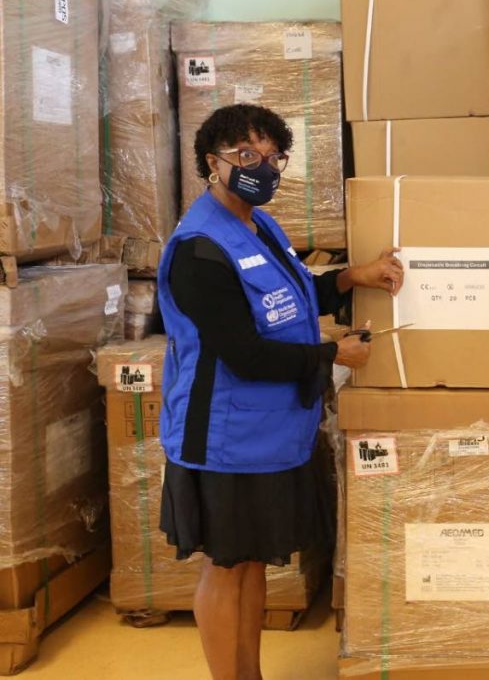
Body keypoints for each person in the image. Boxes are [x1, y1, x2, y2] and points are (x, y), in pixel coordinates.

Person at [156, 104, 403, 680]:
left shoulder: (259, 225)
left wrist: (349, 278)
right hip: (224, 437)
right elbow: (242, 350)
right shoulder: (200, 248)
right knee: (225, 566)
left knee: (250, 565)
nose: (260, 168)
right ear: (210, 161)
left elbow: (287, 298)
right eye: (245, 156)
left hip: (267, 434)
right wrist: (331, 353)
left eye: (272, 157)